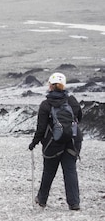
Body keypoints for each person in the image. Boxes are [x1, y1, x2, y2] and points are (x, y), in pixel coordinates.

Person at [29, 72, 83, 210]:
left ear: (50, 86)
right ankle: (74, 203)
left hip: (52, 144)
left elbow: (41, 129)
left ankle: (42, 199)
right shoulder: (72, 101)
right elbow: (79, 118)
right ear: (63, 85)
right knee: (70, 171)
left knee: (49, 171)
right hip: (72, 141)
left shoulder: (45, 104)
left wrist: (34, 143)